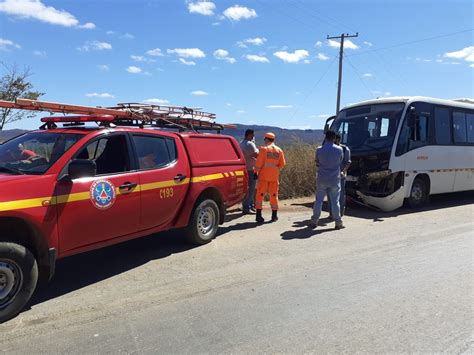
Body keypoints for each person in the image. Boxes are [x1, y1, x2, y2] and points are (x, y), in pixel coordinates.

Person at [311, 130, 345, 230]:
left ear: (326, 137)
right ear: (334, 138)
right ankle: (338, 223)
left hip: (322, 178)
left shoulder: (319, 149)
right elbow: (340, 161)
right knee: (335, 202)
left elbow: (317, 162)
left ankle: (314, 221)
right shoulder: (339, 149)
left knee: (318, 201)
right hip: (334, 179)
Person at [254, 132, 286, 223]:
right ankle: (274, 216)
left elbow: (258, 163)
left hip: (263, 176)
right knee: (274, 195)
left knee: (260, 195)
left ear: (266, 139)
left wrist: (255, 172)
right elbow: (282, 164)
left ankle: (258, 216)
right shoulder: (279, 150)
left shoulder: (263, 149)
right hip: (274, 177)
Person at [328, 132, 351, 217]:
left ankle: (340, 213)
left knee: (340, 195)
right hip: (330, 176)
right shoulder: (330, 148)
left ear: (338, 140)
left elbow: (347, 162)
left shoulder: (345, 149)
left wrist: (343, 171)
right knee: (330, 195)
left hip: (340, 176)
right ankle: (331, 213)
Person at [240, 129, 259, 214]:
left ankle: (249, 206)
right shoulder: (250, 144)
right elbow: (257, 154)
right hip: (251, 169)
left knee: (246, 189)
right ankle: (247, 207)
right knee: (251, 189)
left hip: (244, 169)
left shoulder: (240, 144)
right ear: (251, 135)